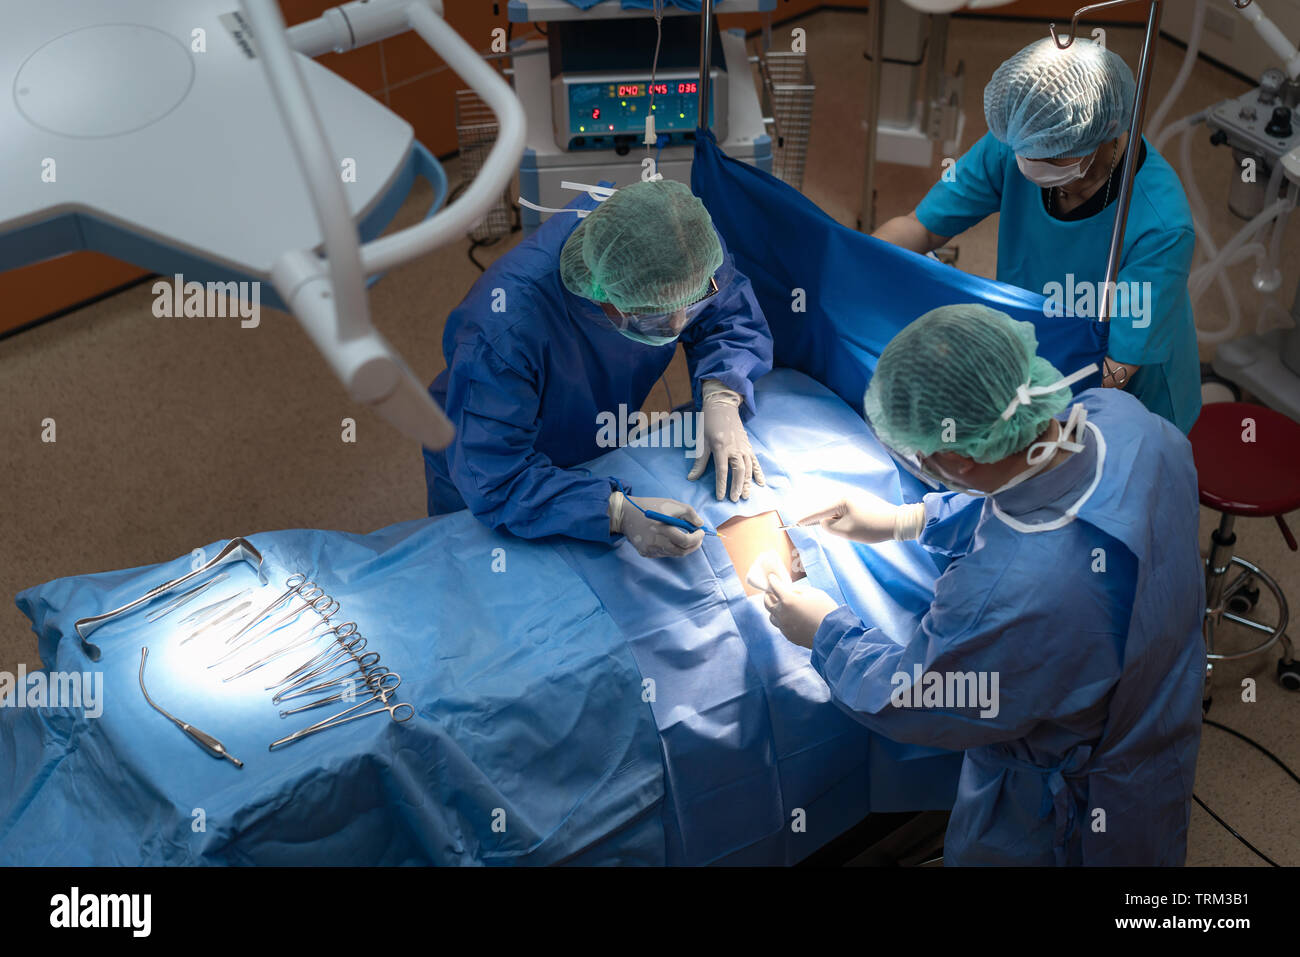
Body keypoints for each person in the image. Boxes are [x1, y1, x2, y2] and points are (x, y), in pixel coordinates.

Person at [764, 304, 1206, 866]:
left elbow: (918, 700)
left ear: (954, 458)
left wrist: (824, 632)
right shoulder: (1124, 420)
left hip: (1064, 814)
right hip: (1161, 706)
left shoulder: (1007, 597)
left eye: (919, 451)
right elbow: (1043, 496)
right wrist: (910, 520)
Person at [424, 179, 773, 558]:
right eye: (653, 315)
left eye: (690, 303)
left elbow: (727, 311)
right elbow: (494, 479)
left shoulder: (680, 240)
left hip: (597, 430)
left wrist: (723, 393)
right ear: (601, 295)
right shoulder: (502, 334)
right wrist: (614, 512)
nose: (677, 325)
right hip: (484, 461)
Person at [873, 37, 1201, 433]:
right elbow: (919, 227)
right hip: (1035, 346)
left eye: (1052, 155)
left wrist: (1017, 409)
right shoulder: (1018, 143)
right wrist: (857, 267)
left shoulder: (1160, 226)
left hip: (1128, 398)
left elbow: (1118, 370)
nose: (1031, 165)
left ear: (1105, 132)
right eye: (1026, 152)